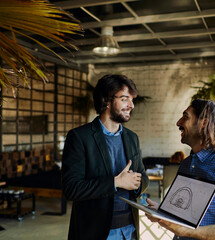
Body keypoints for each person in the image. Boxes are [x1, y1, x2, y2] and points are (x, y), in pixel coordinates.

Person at [146, 99, 215, 240]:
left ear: (204, 123)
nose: (178, 123)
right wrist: (162, 211)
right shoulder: (186, 164)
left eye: (185, 117)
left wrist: (185, 231)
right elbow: (185, 212)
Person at [62, 74, 149, 240]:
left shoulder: (132, 138)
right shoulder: (80, 137)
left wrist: (135, 183)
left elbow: (143, 178)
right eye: (125, 99)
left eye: (132, 100)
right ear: (106, 101)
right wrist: (116, 182)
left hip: (129, 229)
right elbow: (71, 188)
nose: (131, 105)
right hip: (95, 232)